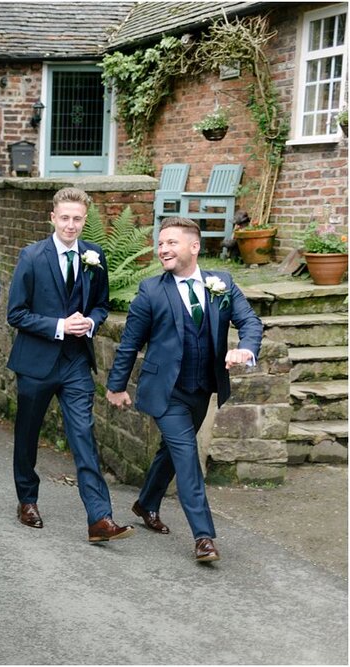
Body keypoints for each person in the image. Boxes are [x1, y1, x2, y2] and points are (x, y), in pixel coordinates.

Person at [106, 216, 262, 562]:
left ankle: (146, 502)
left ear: (195, 246)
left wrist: (245, 348)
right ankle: (203, 537)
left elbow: (250, 321)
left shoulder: (221, 282)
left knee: (171, 453)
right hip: (165, 392)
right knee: (187, 456)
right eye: (160, 243)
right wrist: (116, 385)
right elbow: (130, 343)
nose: (163, 249)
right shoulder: (150, 291)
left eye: (171, 243)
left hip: (202, 387)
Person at [6, 187, 133, 543]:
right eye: (65, 218)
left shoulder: (95, 255)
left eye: (78, 219)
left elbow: (102, 304)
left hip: (76, 361)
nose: (71, 225)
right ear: (53, 218)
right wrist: (60, 325)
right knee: (27, 435)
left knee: (83, 436)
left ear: (84, 219)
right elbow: (16, 313)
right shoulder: (31, 257)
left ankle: (100, 518)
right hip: (35, 363)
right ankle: (27, 499)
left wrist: (91, 323)